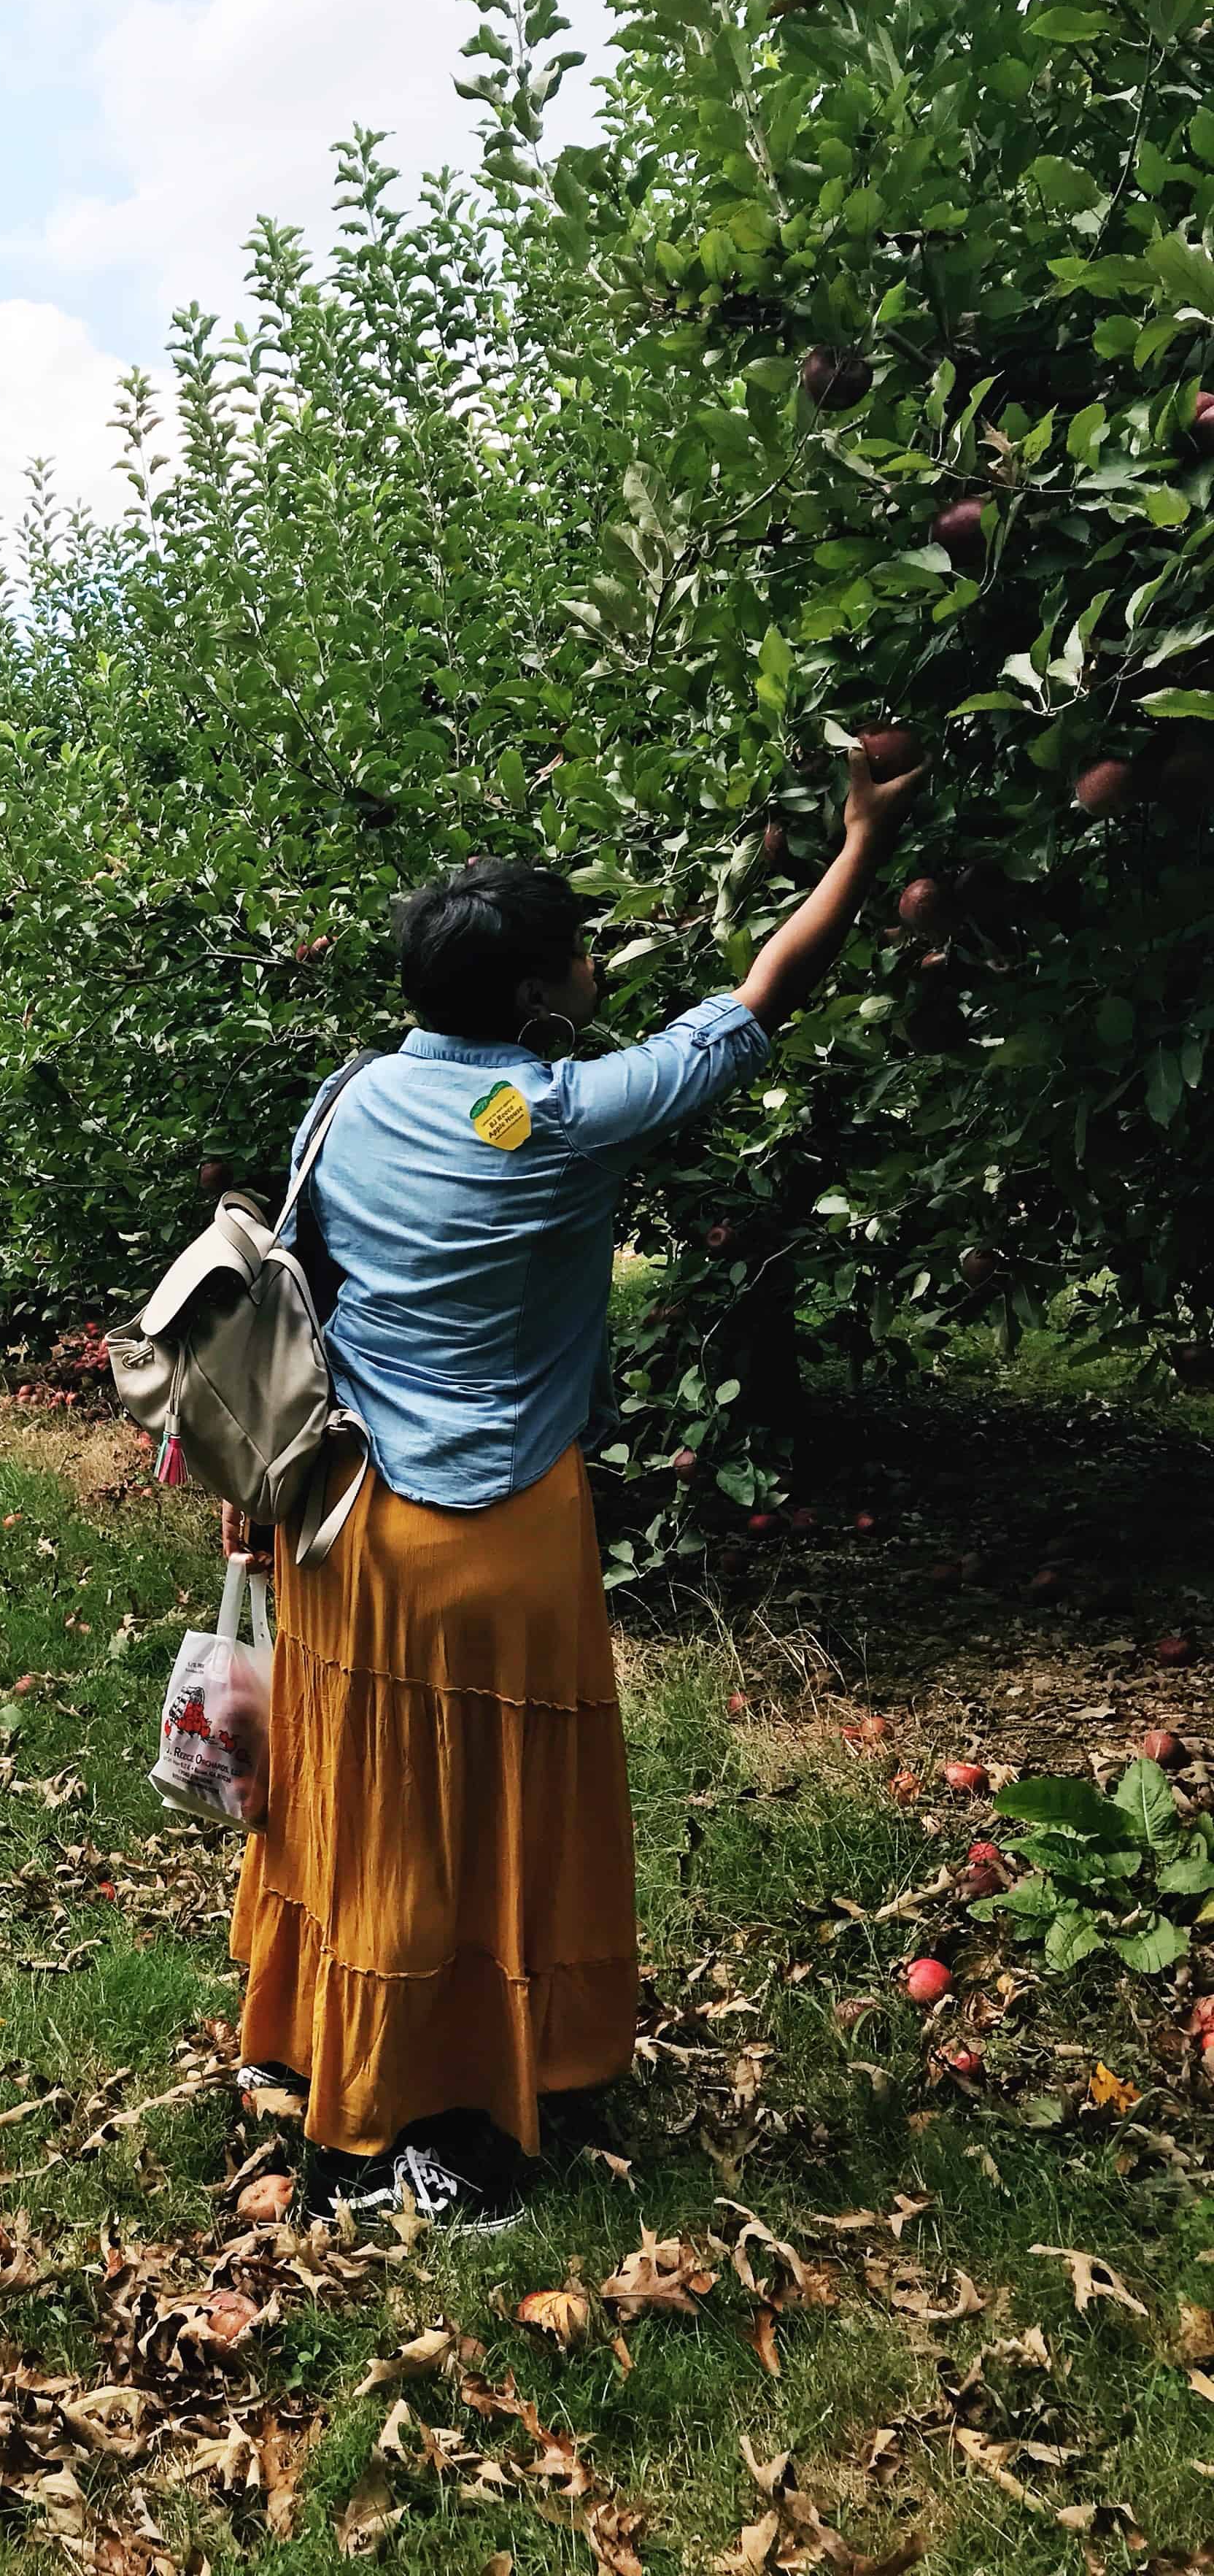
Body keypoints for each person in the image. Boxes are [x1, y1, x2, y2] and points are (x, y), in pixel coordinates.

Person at [223, 743, 925, 2226]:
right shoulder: (570, 1112)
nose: (596, 969)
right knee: (494, 1827)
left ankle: (335, 2079)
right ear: (545, 994)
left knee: (370, 1810)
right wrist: (862, 841)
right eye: (579, 956)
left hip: (341, 1525)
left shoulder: (342, 1102)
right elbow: (760, 997)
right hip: (502, 1531)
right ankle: (466, 2115)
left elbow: (299, 1299)